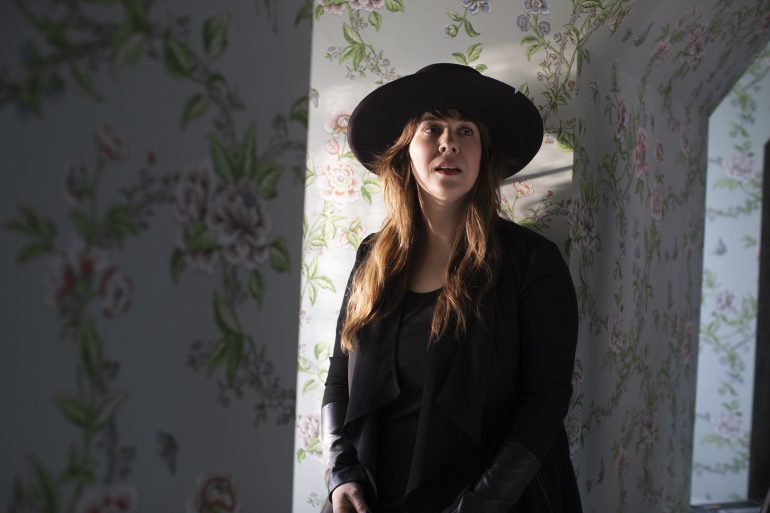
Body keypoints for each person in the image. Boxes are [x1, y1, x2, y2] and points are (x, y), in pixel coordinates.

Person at [321, 63, 581, 513]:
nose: (449, 143)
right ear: (405, 150)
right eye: (432, 128)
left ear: (483, 155)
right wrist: (340, 474)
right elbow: (338, 377)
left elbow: (545, 399)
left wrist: (480, 505)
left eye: (466, 131)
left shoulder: (531, 261)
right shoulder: (372, 257)